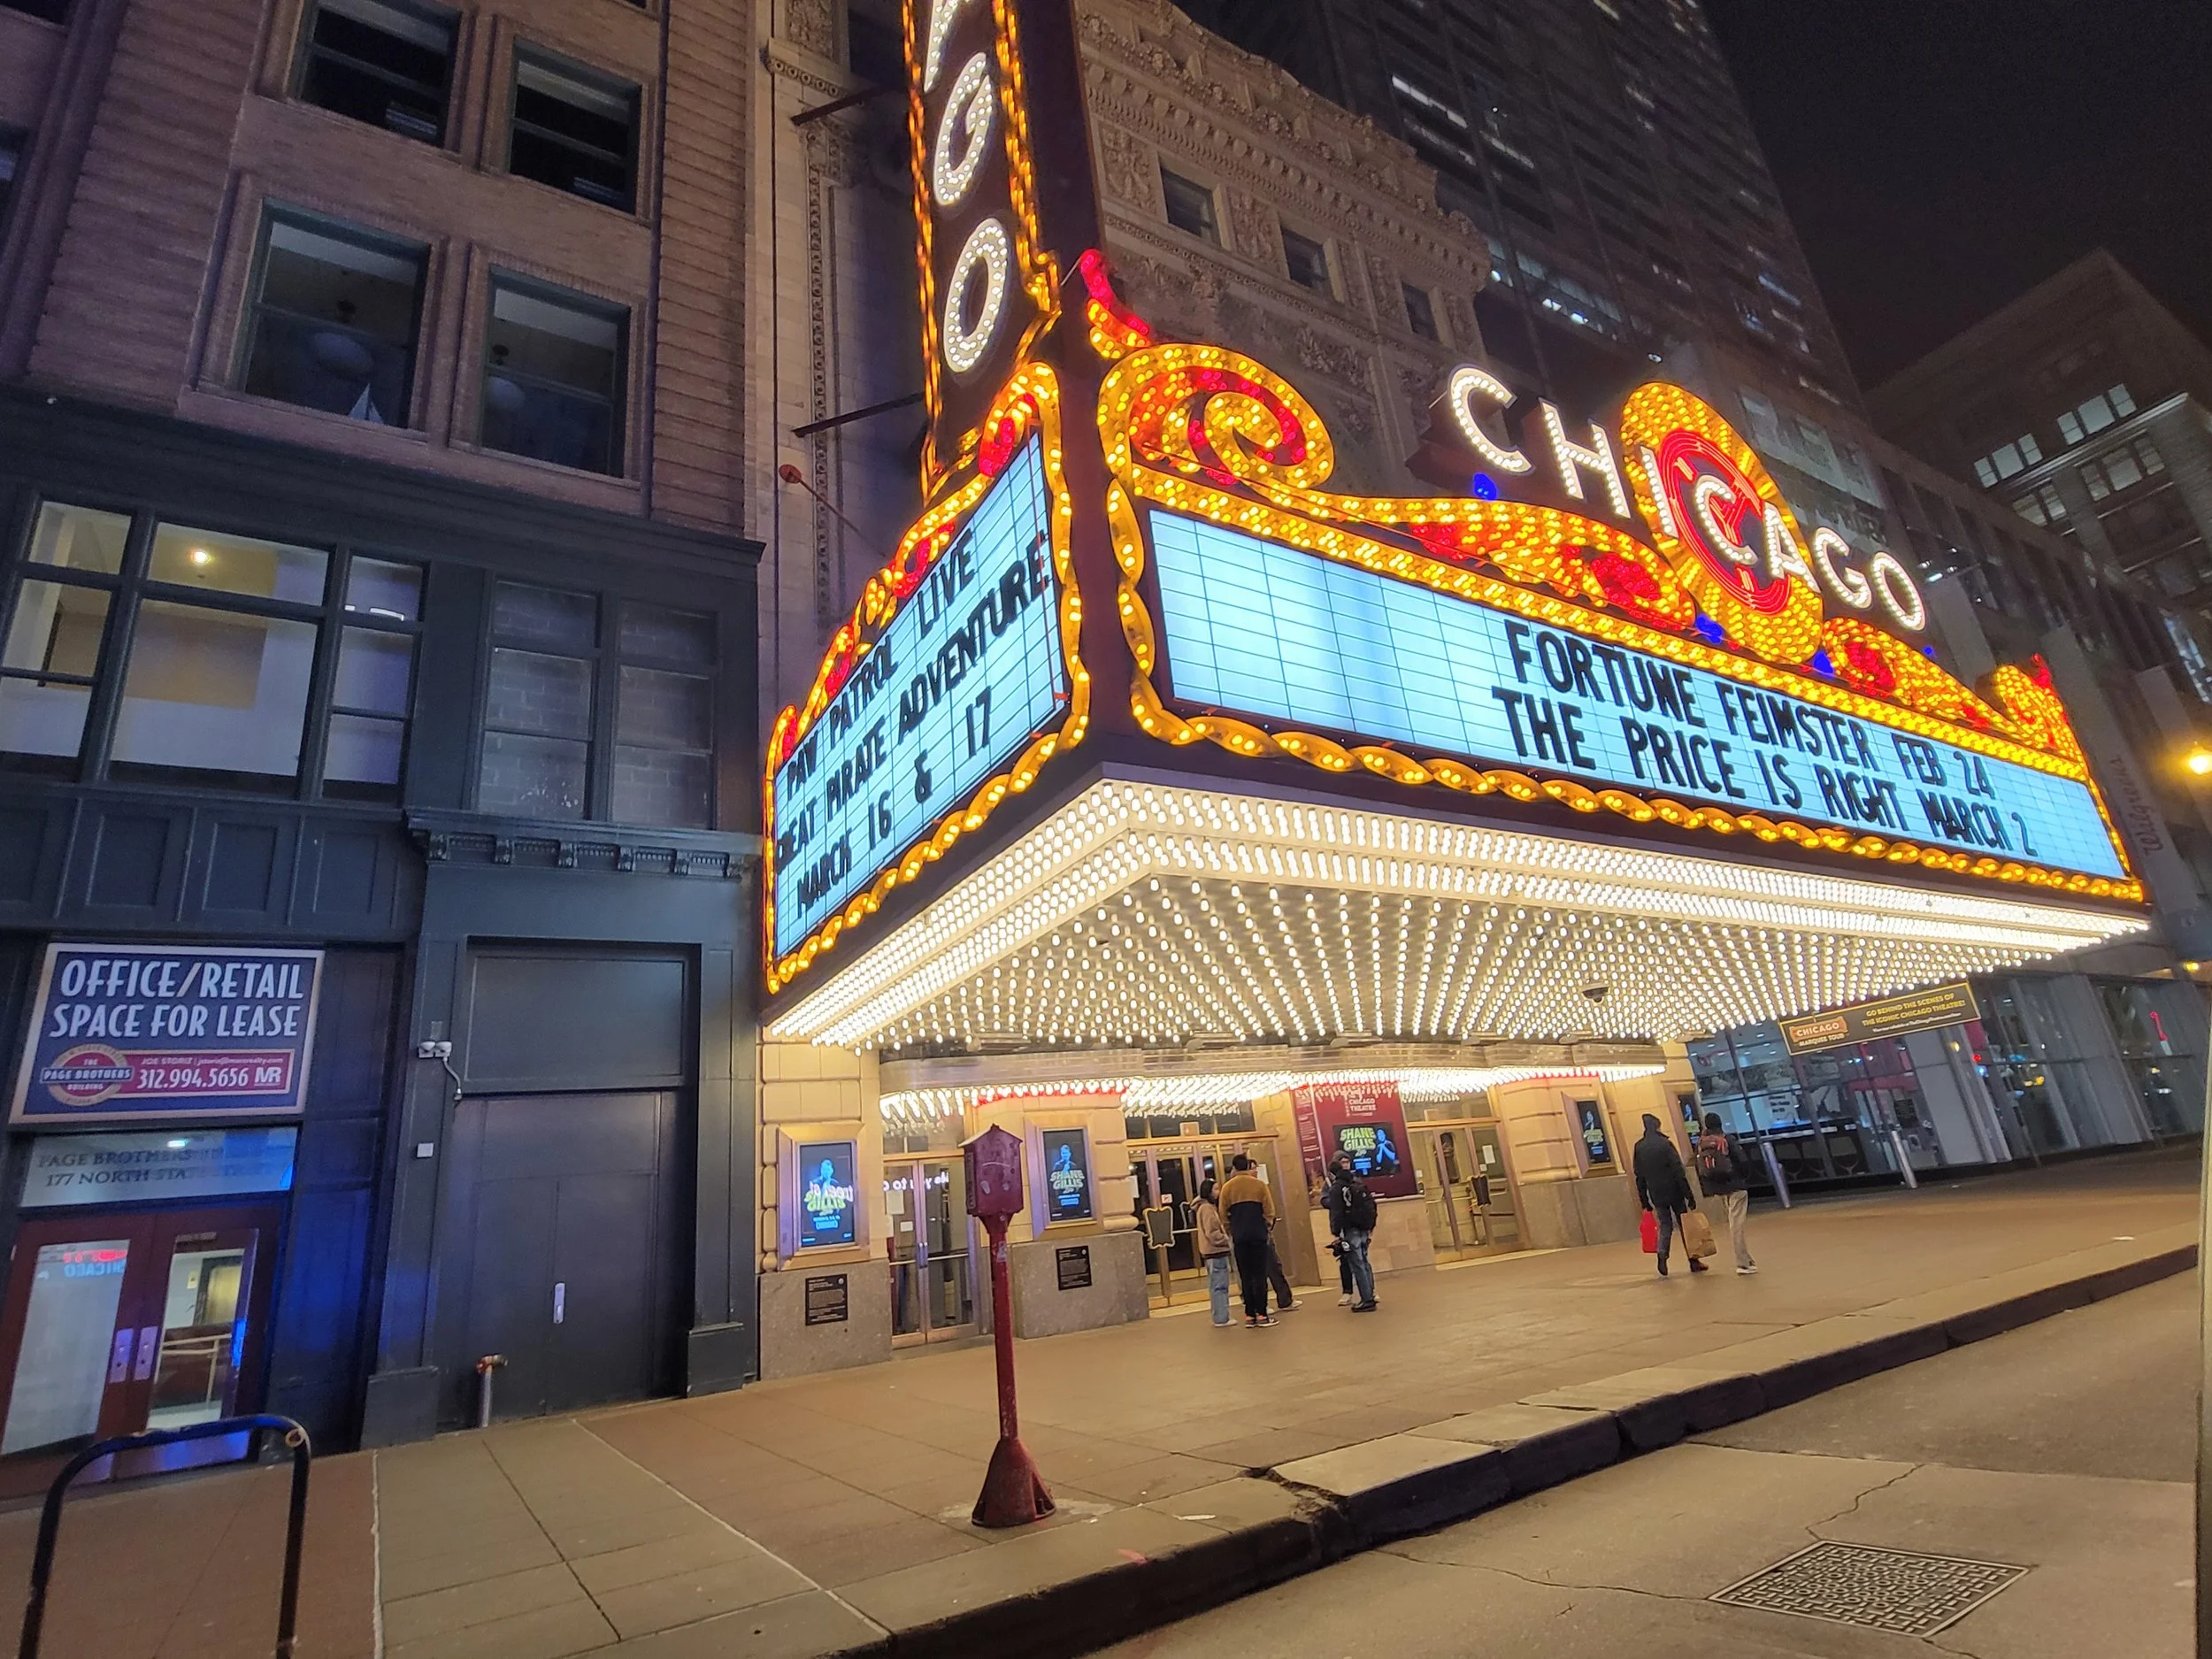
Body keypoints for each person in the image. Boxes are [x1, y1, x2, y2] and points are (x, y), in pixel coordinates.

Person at [1632, 1113, 1707, 1278]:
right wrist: (1689, 1195)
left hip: (1656, 1193)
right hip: (1675, 1191)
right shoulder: (1665, 1144)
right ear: (1657, 1126)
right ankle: (1694, 1261)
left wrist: (1644, 1200)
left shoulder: (1639, 1147)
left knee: (1665, 1225)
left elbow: (1639, 1176)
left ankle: (1662, 1253)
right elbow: (1678, 1171)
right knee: (1685, 1226)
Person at [1217, 1154, 1279, 1326]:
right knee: (1260, 1275)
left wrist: (1232, 1230)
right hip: (1258, 1235)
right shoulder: (1259, 1185)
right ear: (1247, 1166)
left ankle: (1249, 1315)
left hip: (1240, 1237)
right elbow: (1270, 1210)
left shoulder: (1227, 1188)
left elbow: (1223, 1214)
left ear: (1235, 1168)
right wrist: (1266, 1227)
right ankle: (1262, 1314)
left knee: (1245, 1275)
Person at [1699, 1112, 1757, 1275]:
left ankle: (1748, 1260)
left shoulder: (1703, 1142)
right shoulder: (1727, 1139)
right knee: (1736, 1226)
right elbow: (1742, 1160)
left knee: (1733, 1223)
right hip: (1736, 1186)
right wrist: (1742, 1178)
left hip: (1719, 1188)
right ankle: (1742, 1264)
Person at [1322, 1153, 1379, 1311]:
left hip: (1350, 1230)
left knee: (1357, 1263)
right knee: (1364, 1262)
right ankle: (1371, 1294)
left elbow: (1337, 1212)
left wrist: (1336, 1232)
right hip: (1363, 1228)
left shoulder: (1336, 1188)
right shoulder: (1356, 1183)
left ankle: (1366, 1299)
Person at [1192, 1177, 1235, 1325]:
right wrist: (1226, 1239)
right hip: (1216, 1252)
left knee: (1215, 1285)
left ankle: (1219, 1315)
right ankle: (1222, 1317)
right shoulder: (1207, 1209)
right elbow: (1212, 1233)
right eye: (1215, 1189)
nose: (1218, 1192)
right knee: (1220, 1286)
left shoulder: (1203, 1207)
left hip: (1211, 1253)